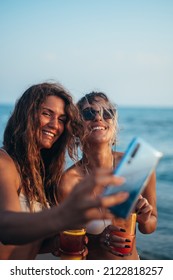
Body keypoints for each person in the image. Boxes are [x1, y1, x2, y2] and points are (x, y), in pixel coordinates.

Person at [0, 83, 129, 260]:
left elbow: (32, 243)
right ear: (26, 114)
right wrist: (63, 215)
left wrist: (63, 243)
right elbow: (6, 229)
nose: (55, 125)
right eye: (47, 113)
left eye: (61, 119)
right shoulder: (3, 162)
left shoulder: (38, 173)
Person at [57, 91, 158, 260]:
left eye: (107, 113)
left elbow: (148, 228)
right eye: (89, 113)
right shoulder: (69, 181)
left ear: (114, 122)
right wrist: (98, 240)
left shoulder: (135, 166)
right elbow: (71, 244)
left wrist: (146, 218)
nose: (99, 118)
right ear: (76, 128)